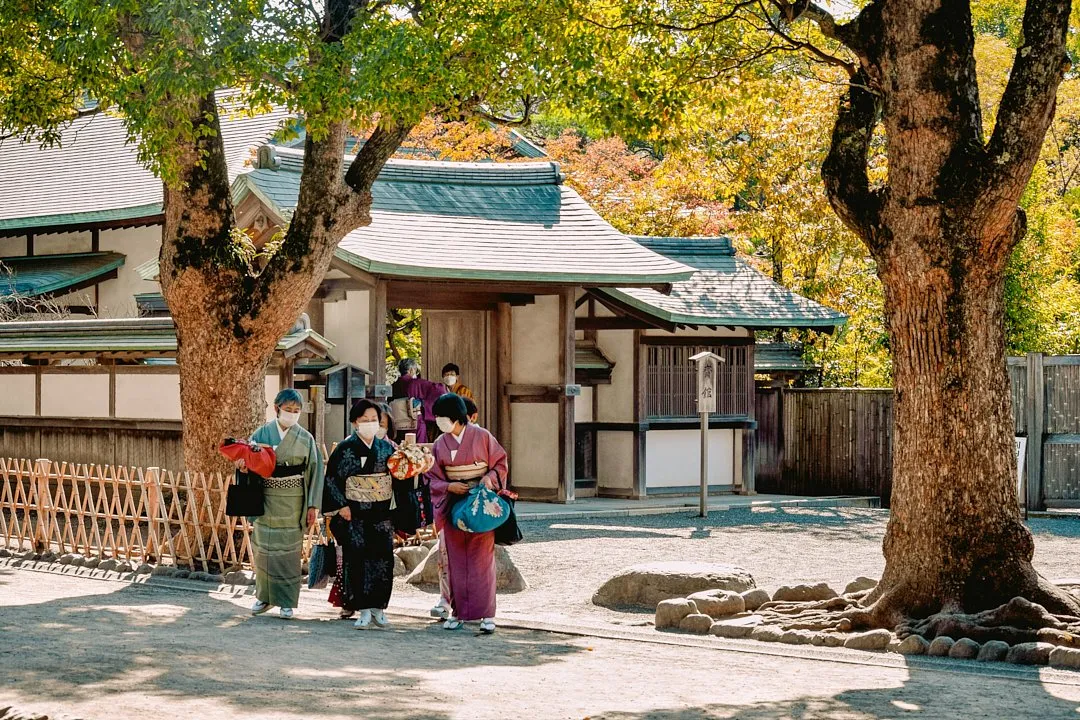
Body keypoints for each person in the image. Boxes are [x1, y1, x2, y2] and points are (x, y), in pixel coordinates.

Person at [427, 393, 509, 634]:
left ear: (456, 416)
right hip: (454, 502)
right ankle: (458, 612)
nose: (439, 421)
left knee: (482, 560)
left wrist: (489, 478)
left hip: (480, 501)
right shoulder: (440, 443)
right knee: (456, 561)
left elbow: (500, 463)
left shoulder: (482, 436)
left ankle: (487, 615)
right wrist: (448, 486)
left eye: (442, 416)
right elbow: (432, 476)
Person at [239, 388, 324, 619]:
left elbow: (315, 472)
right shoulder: (261, 433)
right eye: (288, 409)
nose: (292, 413)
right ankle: (264, 597)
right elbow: (249, 460)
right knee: (263, 550)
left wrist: (312, 506)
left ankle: (286, 601)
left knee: (288, 553)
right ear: (277, 408)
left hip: (294, 501)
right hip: (266, 498)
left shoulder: (305, 438)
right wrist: (244, 467)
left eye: (296, 410)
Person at [322, 399, 397, 629]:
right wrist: (341, 505)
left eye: (374, 420)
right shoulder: (345, 449)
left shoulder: (387, 449)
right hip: (354, 514)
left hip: (381, 513)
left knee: (383, 559)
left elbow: (398, 478)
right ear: (355, 422)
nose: (370, 423)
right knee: (357, 559)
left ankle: (379, 608)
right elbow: (332, 479)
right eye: (365, 420)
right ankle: (362, 608)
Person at [390, 358, 446, 443]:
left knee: (401, 446)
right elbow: (439, 389)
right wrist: (424, 403)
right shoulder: (417, 383)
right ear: (411, 370)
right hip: (414, 422)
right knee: (418, 446)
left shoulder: (393, 386)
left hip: (397, 424)